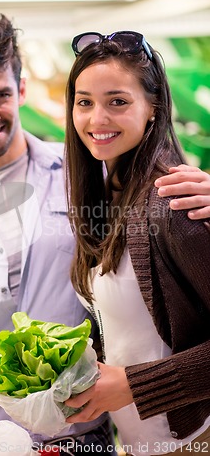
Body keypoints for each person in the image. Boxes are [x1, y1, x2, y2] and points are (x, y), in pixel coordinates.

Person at [0, 17, 210, 455]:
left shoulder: (91, 173)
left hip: (87, 429)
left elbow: (159, 183)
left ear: (20, 92)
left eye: (1, 95)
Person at [62, 30, 210, 455]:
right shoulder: (106, 193)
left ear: (152, 108)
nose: (96, 119)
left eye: (118, 101)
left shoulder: (173, 204)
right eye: (84, 101)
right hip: (141, 441)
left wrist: (132, 385)